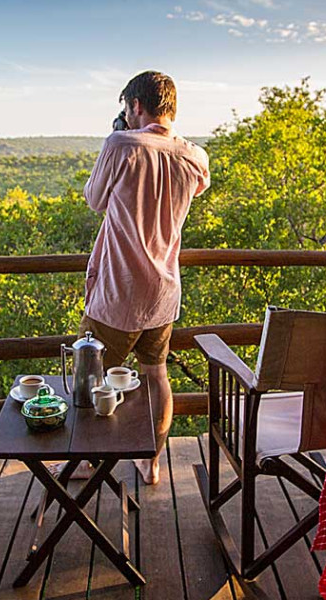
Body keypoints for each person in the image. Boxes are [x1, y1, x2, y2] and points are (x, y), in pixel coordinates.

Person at [79, 71, 210, 484]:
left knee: (90, 376)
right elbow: (196, 185)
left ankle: (85, 460)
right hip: (163, 291)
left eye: (126, 110)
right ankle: (151, 463)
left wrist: (119, 135)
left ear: (136, 105)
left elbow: (94, 199)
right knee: (156, 376)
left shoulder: (120, 145)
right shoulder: (195, 157)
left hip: (119, 291)